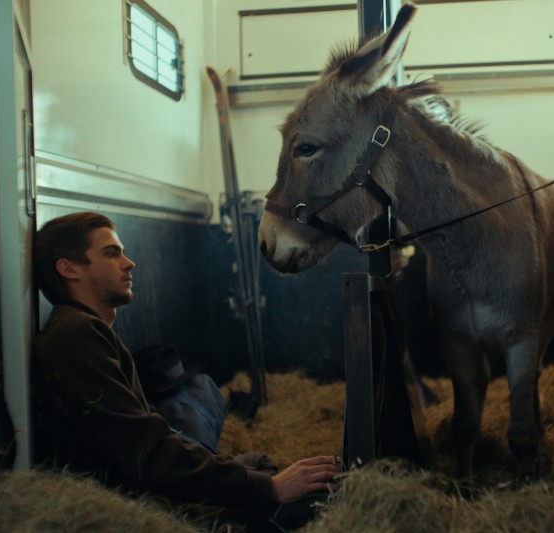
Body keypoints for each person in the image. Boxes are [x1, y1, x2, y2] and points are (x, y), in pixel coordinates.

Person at [31, 211, 340, 531]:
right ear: (68, 268)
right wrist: (270, 488)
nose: (128, 262)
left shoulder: (85, 328)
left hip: (147, 492)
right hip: (134, 511)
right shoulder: (75, 336)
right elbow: (146, 454)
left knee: (260, 465)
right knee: (300, 500)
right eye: (111, 253)